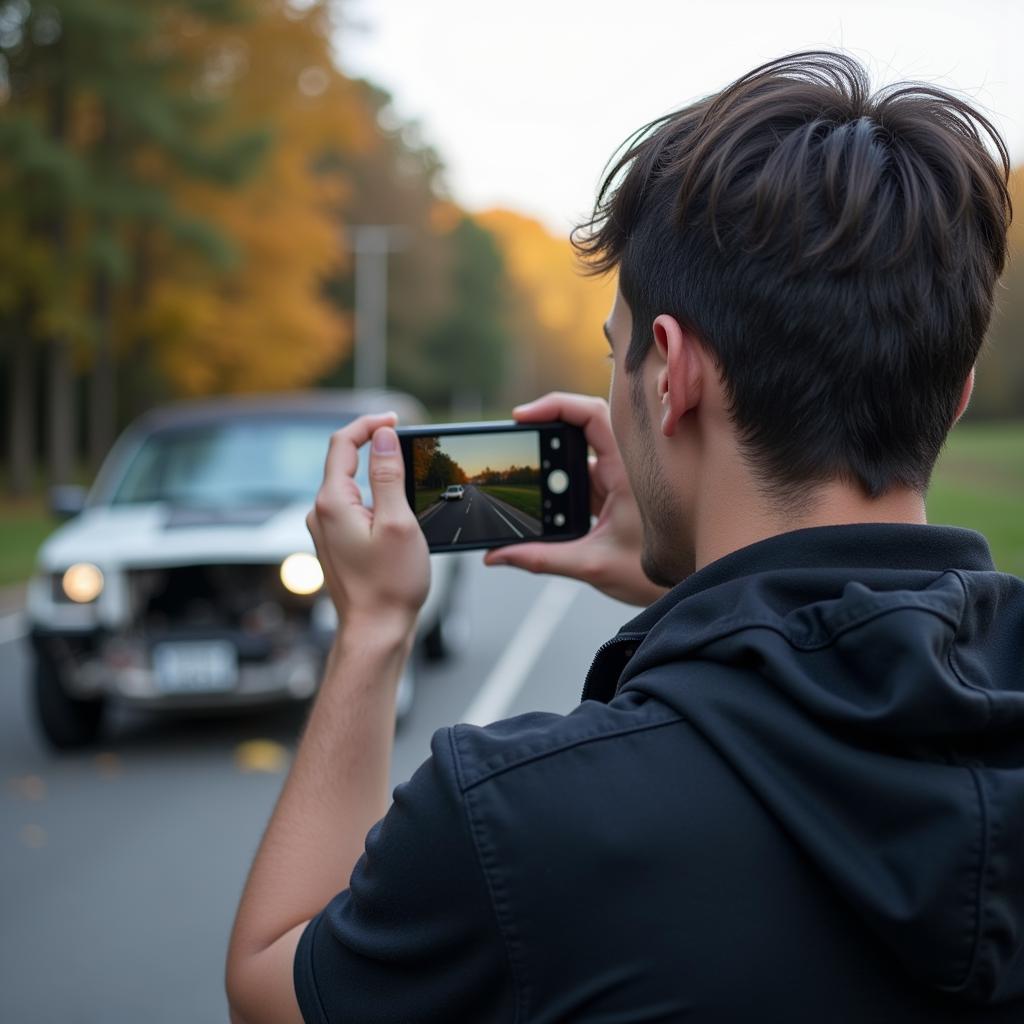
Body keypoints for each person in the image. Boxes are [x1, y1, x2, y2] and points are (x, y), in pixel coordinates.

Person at [225, 51, 1024, 1023]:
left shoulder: (514, 822)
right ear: (956, 393)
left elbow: (275, 982)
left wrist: (374, 628)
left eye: (619, 354)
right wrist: (698, 577)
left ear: (670, 375)